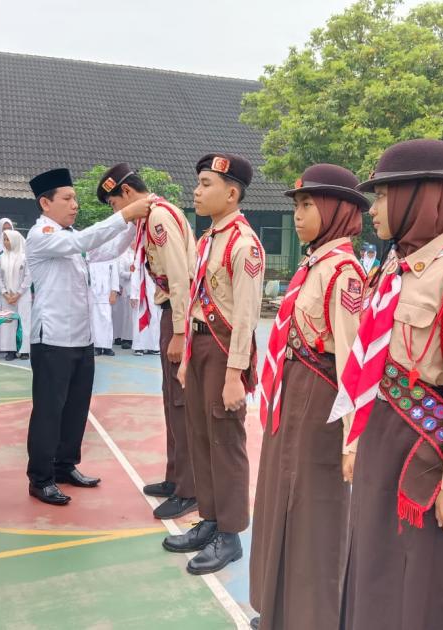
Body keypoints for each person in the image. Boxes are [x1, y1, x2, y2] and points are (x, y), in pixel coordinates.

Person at [330, 139, 443, 630]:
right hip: (383, 442)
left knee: (428, 590)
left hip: (426, 457)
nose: (374, 209)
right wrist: (355, 438)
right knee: (376, 573)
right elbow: (368, 367)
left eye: (384, 195)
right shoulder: (391, 269)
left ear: (418, 198)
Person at [249, 164, 368, 630]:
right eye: (296, 206)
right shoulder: (313, 263)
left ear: (337, 210)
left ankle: (314, 616)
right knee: (281, 499)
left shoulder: (345, 273)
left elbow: (354, 363)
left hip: (321, 399)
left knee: (315, 509)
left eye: (307, 205)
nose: (297, 216)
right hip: (292, 390)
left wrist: (352, 438)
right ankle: (280, 610)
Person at [25, 168, 152, 506]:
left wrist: (132, 225)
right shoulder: (43, 235)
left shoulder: (69, 238)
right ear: (45, 203)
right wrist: (125, 213)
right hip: (51, 340)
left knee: (76, 408)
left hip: (80, 338)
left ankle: (65, 466)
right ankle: (40, 478)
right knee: (49, 412)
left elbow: (104, 250)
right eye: (67, 199)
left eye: (75, 199)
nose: (75, 205)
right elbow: (83, 242)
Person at [164, 153, 265, 575]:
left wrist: (234, 375)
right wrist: (187, 356)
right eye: (198, 183)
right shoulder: (207, 241)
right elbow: (190, 308)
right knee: (200, 437)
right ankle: (209, 518)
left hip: (225, 353)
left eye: (206, 184)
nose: (197, 191)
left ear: (231, 192)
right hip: (202, 350)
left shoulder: (245, 245)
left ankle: (231, 534)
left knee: (226, 443)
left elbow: (245, 318)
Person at [97, 163, 198, 520]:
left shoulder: (157, 218)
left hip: (179, 312)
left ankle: (190, 489)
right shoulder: (149, 216)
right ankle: (175, 478)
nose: (116, 212)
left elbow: (181, 276)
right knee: (172, 400)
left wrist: (182, 332)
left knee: (182, 402)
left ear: (126, 193)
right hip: (170, 311)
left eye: (113, 204)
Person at [0, 229, 33, 360]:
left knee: (24, 321)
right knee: (8, 322)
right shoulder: (1, 257)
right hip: (6, 296)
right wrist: (5, 293)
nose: (6, 242)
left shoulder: (25, 257)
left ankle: (24, 350)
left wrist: (19, 293)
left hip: (22, 296)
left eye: (8, 239)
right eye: (4, 239)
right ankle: (10, 350)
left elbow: (29, 276)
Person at [130, 260, 162, 355]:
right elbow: (134, 274)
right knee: (140, 317)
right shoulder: (140, 256)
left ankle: (153, 346)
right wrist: (133, 294)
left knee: (155, 319)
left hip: (156, 292)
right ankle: (139, 346)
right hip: (141, 292)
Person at [89, 259, 120, 356]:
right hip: (93, 294)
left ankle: (107, 347)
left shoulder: (111, 257)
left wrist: (114, 292)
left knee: (107, 321)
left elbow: (115, 276)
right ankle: (97, 346)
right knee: (94, 321)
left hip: (106, 295)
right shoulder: (91, 256)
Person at [112, 248, 134, 349]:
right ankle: (126, 338)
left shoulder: (141, 252)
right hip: (128, 288)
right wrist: (132, 275)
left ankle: (136, 339)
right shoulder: (124, 254)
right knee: (127, 315)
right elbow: (120, 272)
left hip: (141, 289)